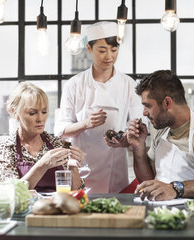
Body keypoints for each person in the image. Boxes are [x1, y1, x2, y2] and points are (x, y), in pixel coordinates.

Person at [54, 21, 143, 193]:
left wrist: (123, 140)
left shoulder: (129, 85)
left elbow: (138, 128)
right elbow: (61, 130)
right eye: (102, 50)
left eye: (114, 50)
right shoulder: (74, 85)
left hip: (116, 174)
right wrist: (85, 124)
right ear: (89, 48)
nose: (109, 56)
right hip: (81, 172)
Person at [126, 70, 194, 201]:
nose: (144, 113)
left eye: (148, 106)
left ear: (167, 103)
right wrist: (138, 147)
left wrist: (176, 188)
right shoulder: (160, 130)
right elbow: (149, 180)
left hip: (192, 216)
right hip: (160, 212)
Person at [0, 82, 85, 192]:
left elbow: (77, 192)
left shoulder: (58, 145)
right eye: (32, 113)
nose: (40, 118)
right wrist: (42, 165)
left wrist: (73, 167)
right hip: (24, 209)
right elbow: (10, 192)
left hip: (56, 208)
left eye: (44, 112)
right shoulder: (4, 148)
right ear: (14, 111)